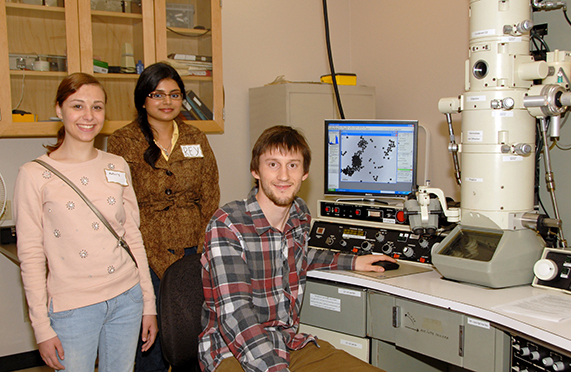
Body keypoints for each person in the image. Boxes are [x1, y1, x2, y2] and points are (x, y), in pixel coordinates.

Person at [198, 125, 394, 372]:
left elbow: (297, 255)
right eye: (272, 164)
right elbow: (235, 315)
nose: (283, 176)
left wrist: (353, 262)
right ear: (255, 170)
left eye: (292, 165)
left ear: (304, 173)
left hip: (287, 344)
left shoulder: (299, 215)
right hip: (232, 352)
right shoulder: (228, 223)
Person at [14, 73, 157, 371]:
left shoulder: (116, 165)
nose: (88, 116)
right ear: (59, 109)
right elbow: (30, 256)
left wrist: (148, 304)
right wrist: (41, 326)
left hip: (127, 297)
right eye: (77, 106)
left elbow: (132, 236)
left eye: (97, 107)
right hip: (73, 308)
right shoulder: (33, 174)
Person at [108, 61, 220, 371]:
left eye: (174, 94)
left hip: (192, 251)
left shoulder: (195, 137)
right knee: (151, 341)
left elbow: (210, 193)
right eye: (158, 95)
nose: (167, 102)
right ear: (143, 99)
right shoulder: (122, 140)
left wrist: (203, 245)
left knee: (192, 337)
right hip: (144, 252)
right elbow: (117, 200)